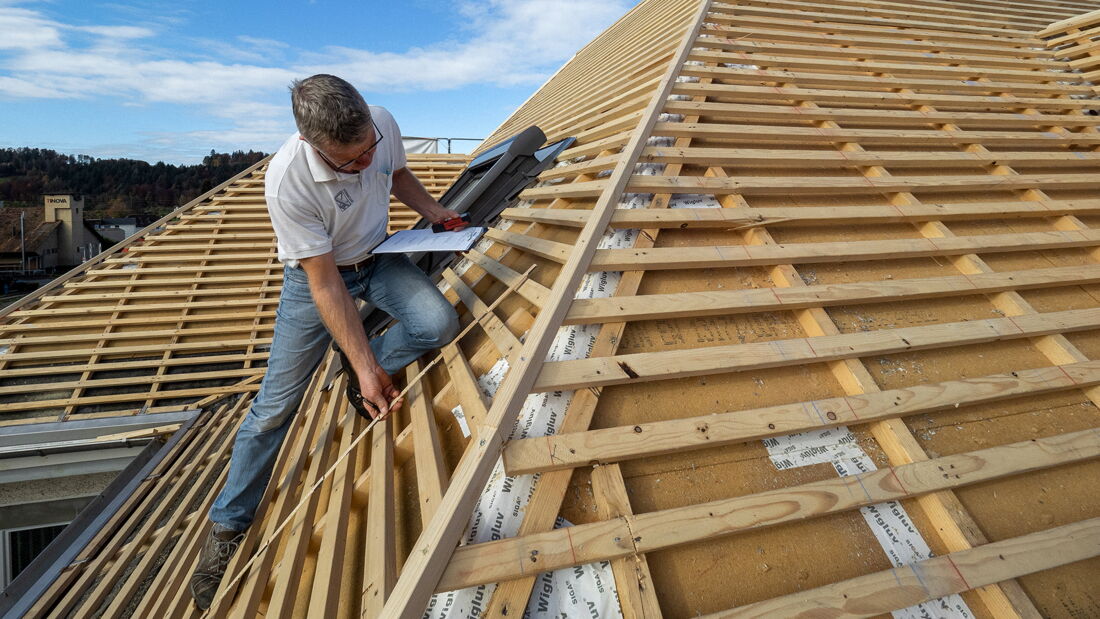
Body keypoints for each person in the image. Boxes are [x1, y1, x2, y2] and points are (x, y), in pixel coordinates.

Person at [189, 74, 460, 610]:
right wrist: (363, 367)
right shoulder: (286, 180)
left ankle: (364, 365)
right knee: (273, 407)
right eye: (349, 162)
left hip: (379, 257)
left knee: (437, 324)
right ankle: (226, 527)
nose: (364, 167)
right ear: (313, 145)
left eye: (367, 152)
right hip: (319, 276)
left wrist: (435, 214)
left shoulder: (379, 124)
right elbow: (323, 283)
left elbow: (398, 174)